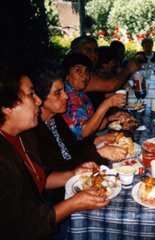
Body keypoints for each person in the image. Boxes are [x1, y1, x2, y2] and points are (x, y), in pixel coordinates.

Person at [0, 68, 110, 240]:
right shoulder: (3, 158)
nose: (38, 101)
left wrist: (73, 174)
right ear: (7, 106)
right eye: (31, 95)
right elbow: (19, 226)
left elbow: (39, 177)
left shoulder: (25, 136)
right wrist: (72, 204)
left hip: (43, 211)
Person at [61, 53, 130, 149]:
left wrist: (111, 118)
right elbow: (84, 133)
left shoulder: (79, 93)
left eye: (87, 71)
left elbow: (90, 125)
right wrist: (106, 104)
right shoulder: (66, 96)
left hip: (89, 142)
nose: (84, 75)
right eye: (78, 70)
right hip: (77, 150)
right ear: (66, 75)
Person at [70, 36, 138, 92]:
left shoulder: (93, 70)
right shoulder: (80, 74)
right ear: (76, 53)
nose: (94, 55)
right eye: (88, 51)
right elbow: (110, 85)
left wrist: (122, 80)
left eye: (95, 51)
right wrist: (128, 69)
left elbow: (109, 79)